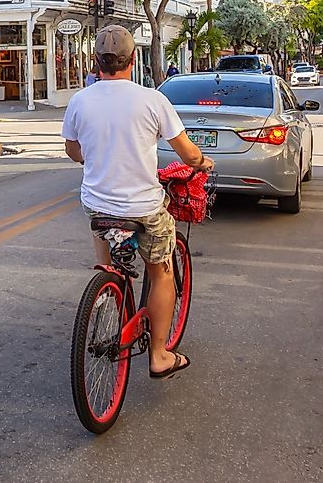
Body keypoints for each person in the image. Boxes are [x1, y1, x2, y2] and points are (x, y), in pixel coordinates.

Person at [62, 25, 214, 380]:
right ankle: (160, 354)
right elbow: (187, 153)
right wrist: (201, 162)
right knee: (161, 271)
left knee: (104, 240)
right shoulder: (152, 100)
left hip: (98, 204)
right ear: (133, 60)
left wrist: (96, 157)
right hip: (143, 208)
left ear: (96, 62)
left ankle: (106, 289)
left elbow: (73, 151)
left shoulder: (80, 100)